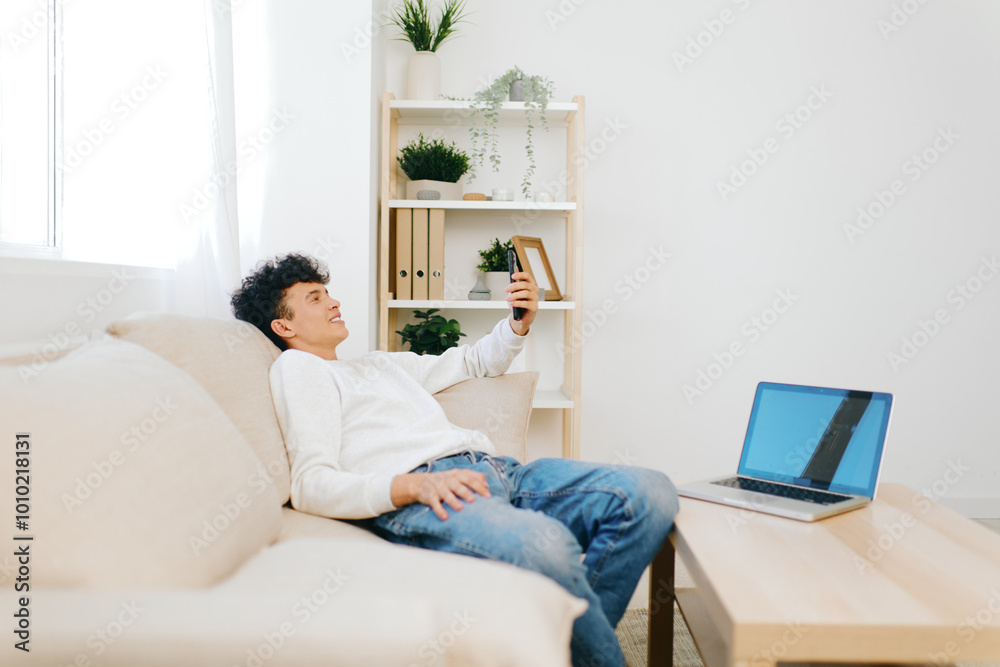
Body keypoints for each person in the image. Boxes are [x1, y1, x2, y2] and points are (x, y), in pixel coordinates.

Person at [231, 252, 678, 667]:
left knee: (649, 494)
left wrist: (518, 323)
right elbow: (311, 483)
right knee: (549, 547)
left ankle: (572, 650)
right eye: (315, 298)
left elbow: (472, 362)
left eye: (328, 292)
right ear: (284, 327)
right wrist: (411, 487)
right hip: (431, 491)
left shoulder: (377, 365)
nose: (334, 302)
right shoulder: (300, 370)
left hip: (499, 471)